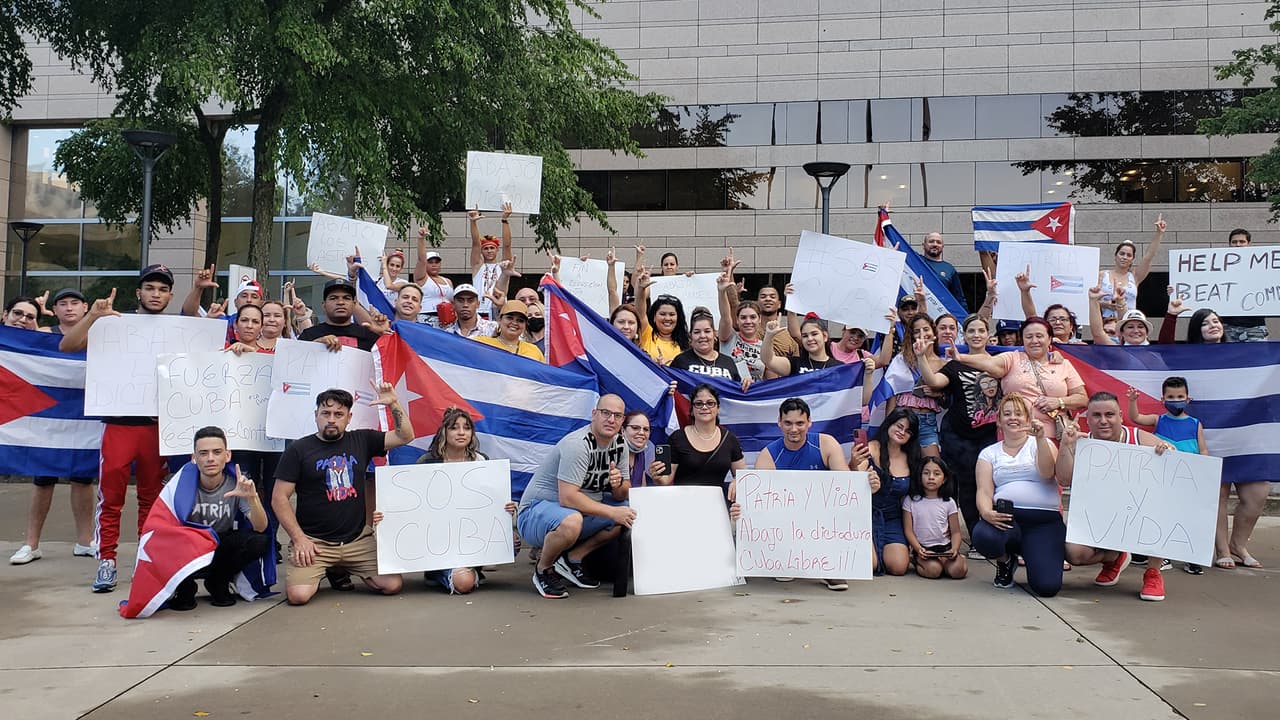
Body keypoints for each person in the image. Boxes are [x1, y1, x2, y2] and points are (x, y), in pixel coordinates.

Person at [59, 265, 175, 593]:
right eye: (149, 288)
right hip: (119, 426)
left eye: (162, 289)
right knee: (110, 498)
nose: (155, 294)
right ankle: (106, 559)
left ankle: (145, 557)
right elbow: (67, 346)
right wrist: (93, 316)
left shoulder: (176, 328)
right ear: (138, 292)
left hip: (156, 428)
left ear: (169, 295)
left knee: (152, 498)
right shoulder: (112, 323)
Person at [272, 384, 414, 605]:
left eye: (338, 414)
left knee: (392, 584)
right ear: (315, 415)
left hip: (357, 540)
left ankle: (340, 567)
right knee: (298, 596)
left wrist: (393, 404)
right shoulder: (298, 449)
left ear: (349, 418)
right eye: (325, 413)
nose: (331, 419)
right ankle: (328, 568)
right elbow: (279, 498)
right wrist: (299, 539)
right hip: (314, 542)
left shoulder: (362, 440)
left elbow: (405, 436)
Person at [7, 291, 97, 566]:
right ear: (54, 310)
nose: (69, 308)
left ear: (85, 307)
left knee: (83, 479)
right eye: (62, 304)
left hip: (83, 414)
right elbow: (19, 341)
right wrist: (34, 320)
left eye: (74, 303)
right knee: (43, 479)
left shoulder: (99, 331)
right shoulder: (43, 333)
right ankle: (31, 543)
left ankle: (85, 542)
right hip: (46, 415)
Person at [1058, 392, 1176, 602]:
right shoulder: (1081, 442)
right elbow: (1064, 479)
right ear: (1088, 418)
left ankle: (1153, 573)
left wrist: (1166, 450)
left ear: (1121, 416)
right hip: (1101, 518)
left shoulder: (1138, 438)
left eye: (1109, 414)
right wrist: (1065, 446)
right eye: (1096, 415)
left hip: (1141, 514)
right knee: (1074, 553)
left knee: (1162, 508)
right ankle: (1115, 557)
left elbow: (1174, 459)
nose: (1103, 421)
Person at [516, 394, 635, 599]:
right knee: (573, 521)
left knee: (628, 512)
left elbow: (622, 494)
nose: (611, 420)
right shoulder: (578, 444)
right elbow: (568, 498)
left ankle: (572, 559)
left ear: (623, 420)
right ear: (594, 414)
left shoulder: (620, 445)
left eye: (617, 415)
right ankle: (543, 569)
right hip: (535, 514)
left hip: (576, 513)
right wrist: (612, 512)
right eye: (606, 413)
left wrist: (618, 484)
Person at [400, 407, 516, 595]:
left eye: (467, 428)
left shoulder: (481, 461)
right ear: (444, 432)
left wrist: (505, 507)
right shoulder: (428, 462)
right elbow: (412, 505)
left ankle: (470, 567)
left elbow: (489, 500)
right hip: (438, 539)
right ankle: (439, 572)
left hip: (471, 534)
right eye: (454, 428)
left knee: (513, 542)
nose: (461, 433)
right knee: (463, 583)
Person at [754, 397, 857, 591]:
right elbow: (761, 503)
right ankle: (787, 557)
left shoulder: (826, 444)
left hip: (823, 518)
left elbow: (845, 485)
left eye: (800, 423)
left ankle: (830, 565)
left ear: (809, 422)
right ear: (779, 423)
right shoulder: (768, 455)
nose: (794, 429)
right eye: (788, 423)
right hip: (787, 519)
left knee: (872, 563)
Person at [916, 314, 1000, 546]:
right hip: (957, 435)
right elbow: (933, 381)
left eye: (981, 331)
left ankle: (984, 537)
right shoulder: (954, 364)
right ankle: (962, 538)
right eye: (971, 331)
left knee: (983, 486)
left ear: (987, 335)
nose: (976, 335)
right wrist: (921, 356)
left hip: (988, 436)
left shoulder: (1000, 362)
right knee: (960, 485)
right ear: (964, 335)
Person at [167, 426, 270, 610]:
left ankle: (218, 581)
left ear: (227, 455)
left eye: (217, 452)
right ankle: (184, 588)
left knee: (259, 542)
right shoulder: (176, 484)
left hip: (219, 544)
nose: (210, 459)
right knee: (167, 542)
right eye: (203, 453)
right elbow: (161, 529)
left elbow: (261, 527)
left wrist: (252, 498)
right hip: (188, 546)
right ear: (194, 458)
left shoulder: (237, 481)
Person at [972, 393, 1063, 596]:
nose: (1013, 418)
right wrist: (986, 512)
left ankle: (1035, 554)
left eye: (1019, 414)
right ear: (999, 421)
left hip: (1043, 523)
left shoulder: (1043, 443)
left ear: (1028, 420)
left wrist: (1040, 438)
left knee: (1047, 588)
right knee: (983, 535)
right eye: (1007, 414)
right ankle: (1005, 561)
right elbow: (984, 491)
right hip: (1008, 519)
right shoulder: (989, 453)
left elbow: (1048, 472)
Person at [947, 316, 1086, 441]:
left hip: (1054, 436)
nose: (1034, 341)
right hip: (1015, 437)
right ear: (1022, 340)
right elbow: (989, 362)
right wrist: (961, 358)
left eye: (1039, 336)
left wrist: (1059, 401)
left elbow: (1082, 398)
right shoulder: (1012, 358)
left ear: (1049, 339)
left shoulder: (1063, 364)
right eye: (1029, 336)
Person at [1126, 378, 1208, 574]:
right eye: (1171, 397)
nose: (1176, 400)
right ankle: (1162, 556)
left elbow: (1203, 450)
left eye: (1180, 396)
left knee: (1187, 517)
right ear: (1163, 399)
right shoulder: (1158, 419)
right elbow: (1136, 418)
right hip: (1161, 479)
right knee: (1161, 515)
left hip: (1187, 480)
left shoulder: (1196, 424)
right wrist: (1132, 401)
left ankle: (1192, 557)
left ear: (1188, 399)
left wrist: (1205, 471)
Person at [665, 384, 747, 500]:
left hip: (718, 506)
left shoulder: (730, 439)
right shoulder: (677, 438)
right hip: (683, 504)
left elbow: (743, 476)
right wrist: (657, 476)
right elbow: (665, 480)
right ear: (692, 410)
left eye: (710, 403)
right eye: (698, 403)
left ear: (718, 408)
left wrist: (737, 481)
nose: (704, 407)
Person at [868, 408, 921, 576]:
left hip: (893, 518)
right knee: (870, 565)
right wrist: (856, 465)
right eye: (899, 426)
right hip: (865, 515)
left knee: (898, 567)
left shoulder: (912, 457)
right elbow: (853, 475)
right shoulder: (872, 447)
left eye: (907, 431)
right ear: (889, 423)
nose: (902, 432)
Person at [881, 315, 943, 457]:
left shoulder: (943, 363)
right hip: (904, 420)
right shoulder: (902, 359)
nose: (922, 334)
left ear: (934, 332)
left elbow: (947, 399)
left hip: (928, 421)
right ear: (911, 336)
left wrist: (938, 395)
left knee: (933, 464)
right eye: (916, 331)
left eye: (926, 329)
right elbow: (892, 393)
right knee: (903, 464)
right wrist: (888, 424)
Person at [903, 456, 967, 580]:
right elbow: (908, 530)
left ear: (944, 479)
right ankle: (916, 561)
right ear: (919, 476)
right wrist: (918, 549)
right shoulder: (911, 501)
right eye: (926, 473)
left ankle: (954, 560)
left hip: (945, 548)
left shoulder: (949, 502)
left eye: (937, 474)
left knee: (958, 571)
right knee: (934, 571)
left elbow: (956, 532)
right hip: (924, 549)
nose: (931, 477)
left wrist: (954, 548)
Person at [1097, 215, 1166, 319]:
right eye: (1122, 253)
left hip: (1129, 324)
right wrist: (1105, 304)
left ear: (1132, 259)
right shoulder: (1102, 275)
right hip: (1106, 325)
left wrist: (1159, 233)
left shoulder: (1134, 277)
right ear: (1115, 256)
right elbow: (1090, 300)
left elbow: (1149, 256)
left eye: (1129, 255)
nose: (1124, 257)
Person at [296, 278, 385, 352]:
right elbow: (295, 363)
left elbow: (389, 362)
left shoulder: (368, 335)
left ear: (354, 304)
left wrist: (384, 334)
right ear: (324, 305)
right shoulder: (309, 335)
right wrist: (315, 346)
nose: (340, 302)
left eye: (346, 298)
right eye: (333, 298)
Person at [670, 308, 747, 389]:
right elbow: (668, 387)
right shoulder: (680, 361)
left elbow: (738, 391)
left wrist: (747, 384)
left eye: (707, 331)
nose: (702, 336)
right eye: (697, 332)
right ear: (691, 336)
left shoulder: (728, 362)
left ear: (714, 334)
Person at [1219, 229, 1270, 341]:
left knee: (1258, 358)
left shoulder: (1262, 267)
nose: (1238, 245)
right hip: (1228, 326)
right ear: (1229, 244)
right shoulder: (1219, 267)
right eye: (1234, 242)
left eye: (1242, 242)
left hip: (1254, 326)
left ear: (1249, 244)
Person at [469, 203, 516, 319]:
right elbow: (475, 244)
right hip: (479, 311)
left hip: (499, 310)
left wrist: (504, 220)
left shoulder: (504, 266)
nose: (489, 251)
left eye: (492, 248)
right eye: (485, 248)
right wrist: (473, 222)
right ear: (482, 251)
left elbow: (507, 245)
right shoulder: (478, 266)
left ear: (497, 250)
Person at [761, 315, 844, 378]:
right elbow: (769, 361)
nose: (810, 339)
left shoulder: (841, 368)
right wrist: (769, 335)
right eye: (805, 336)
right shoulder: (794, 363)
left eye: (814, 334)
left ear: (825, 336)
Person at [474, 299, 545, 361]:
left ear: (525, 325)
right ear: (499, 319)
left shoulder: (534, 350)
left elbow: (542, 374)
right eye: (510, 318)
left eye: (520, 320)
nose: (514, 323)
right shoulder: (480, 344)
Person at [719, 298, 766, 383]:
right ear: (737, 320)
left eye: (753, 317)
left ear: (759, 319)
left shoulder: (765, 347)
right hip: (729, 392)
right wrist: (722, 292)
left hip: (753, 393)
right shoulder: (729, 336)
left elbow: (771, 382)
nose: (748, 321)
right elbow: (725, 317)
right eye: (743, 317)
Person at [412, 234, 455, 326]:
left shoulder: (448, 281)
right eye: (430, 262)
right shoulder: (422, 278)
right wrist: (421, 239)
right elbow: (421, 260)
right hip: (427, 317)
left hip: (447, 319)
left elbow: (453, 302)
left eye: (436, 262)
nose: (434, 264)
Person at [637, 293, 689, 365]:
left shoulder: (688, 342)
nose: (667, 318)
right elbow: (640, 312)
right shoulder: (647, 333)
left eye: (671, 314)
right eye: (662, 314)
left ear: (678, 318)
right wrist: (641, 289)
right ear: (654, 317)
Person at [920, 231, 967, 311]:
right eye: (931, 241)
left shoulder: (949, 269)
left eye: (938, 242)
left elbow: (959, 298)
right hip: (919, 311)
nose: (935, 244)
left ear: (942, 246)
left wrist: (964, 319)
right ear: (923, 245)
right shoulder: (915, 261)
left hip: (941, 313)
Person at [621, 411, 668, 488]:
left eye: (646, 429)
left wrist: (657, 479)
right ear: (623, 430)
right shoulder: (613, 453)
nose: (642, 433)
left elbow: (642, 489)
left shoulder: (641, 454)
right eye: (635, 428)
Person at [755, 285, 799, 358]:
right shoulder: (749, 331)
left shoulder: (790, 337)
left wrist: (790, 299)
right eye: (763, 297)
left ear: (779, 304)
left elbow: (795, 365)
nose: (768, 299)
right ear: (757, 303)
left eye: (772, 297)